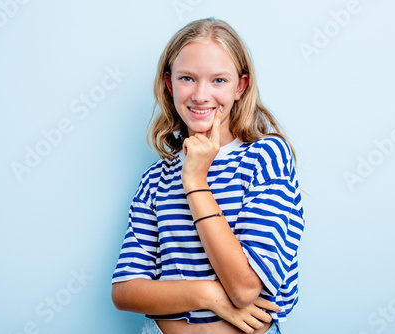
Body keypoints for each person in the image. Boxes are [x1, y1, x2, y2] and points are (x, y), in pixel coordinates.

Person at [111, 17, 305, 334]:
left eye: (218, 81)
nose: (201, 95)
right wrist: (209, 294)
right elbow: (125, 290)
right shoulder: (154, 180)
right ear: (169, 83)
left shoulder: (265, 158)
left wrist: (196, 181)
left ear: (240, 87)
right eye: (187, 78)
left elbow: (244, 289)